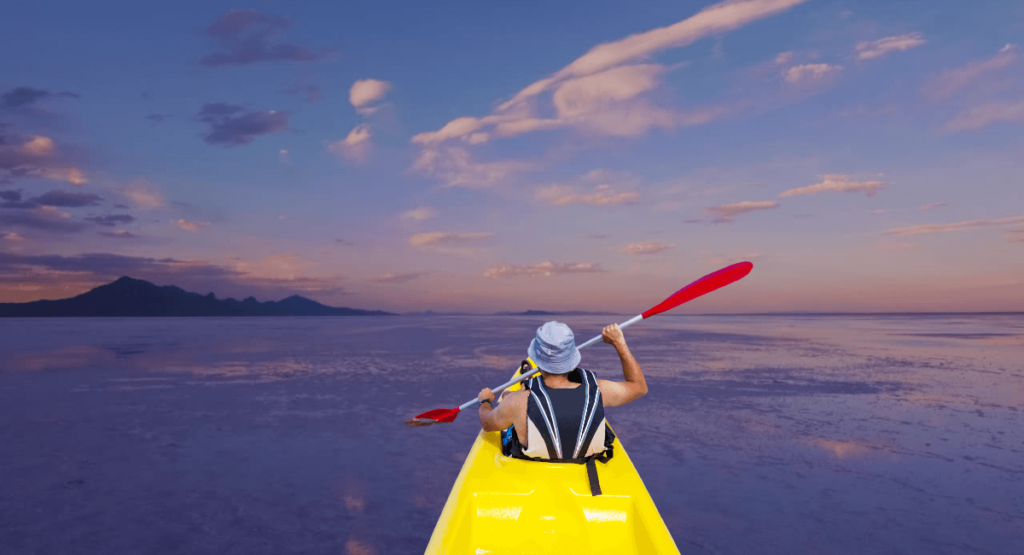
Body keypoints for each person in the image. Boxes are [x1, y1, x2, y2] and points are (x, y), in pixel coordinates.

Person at [477, 321, 647, 463]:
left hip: (533, 468)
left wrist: (485, 401)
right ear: (571, 360)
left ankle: (523, 391)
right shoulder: (601, 391)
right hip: (585, 472)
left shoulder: (517, 402)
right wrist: (619, 343)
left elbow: (487, 423)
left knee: (508, 400)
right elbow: (639, 387)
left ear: (538, 362)